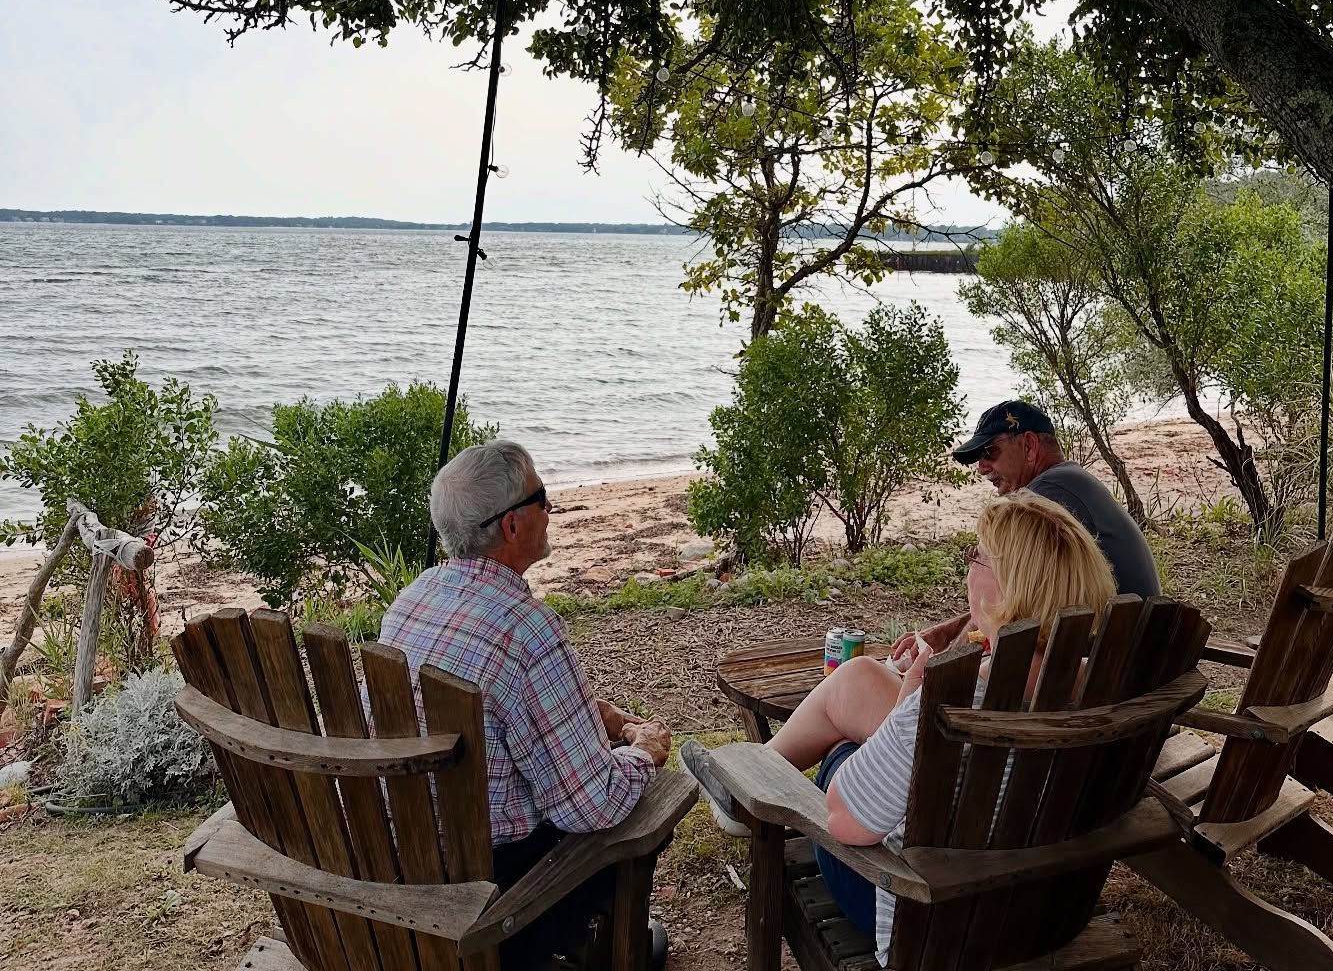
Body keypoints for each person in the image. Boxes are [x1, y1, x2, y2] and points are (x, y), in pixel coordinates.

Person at [682, 493, 1117, 967]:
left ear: (1009, 587)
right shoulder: (1105, 682)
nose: (968, 569)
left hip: (933, 922)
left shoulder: (955, 695)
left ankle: (752, 786)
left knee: (844, 757)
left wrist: (907, 706)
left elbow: (847, 825)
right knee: (864, 746)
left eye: (976, 556)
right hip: (1048, 913)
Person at [381, 439, 671, 970]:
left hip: (410, 861)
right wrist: (644, 752)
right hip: (496, 899)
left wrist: (586, 717)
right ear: (511, 526)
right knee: (651, 810)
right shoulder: (527, 629)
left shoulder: (414, 599)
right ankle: (617, 948)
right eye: (543, 497)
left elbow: (488, 722)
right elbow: (591, 805)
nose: (550, 509)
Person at [891, 400, 1159, 666]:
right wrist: (946, 633)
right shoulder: (1069, 482)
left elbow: (1001, 597)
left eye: (990, 452)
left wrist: (940, 664)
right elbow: (1021, 598)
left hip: (1103, 669)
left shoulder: (1044, 502)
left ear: (1029, 446)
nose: (982, 467)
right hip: (1124, 658)